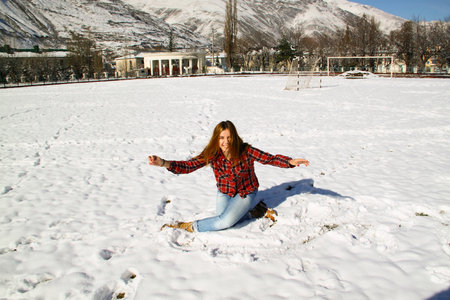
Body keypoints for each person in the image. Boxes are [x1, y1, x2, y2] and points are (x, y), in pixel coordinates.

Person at [148, 120, 309, 233]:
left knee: (224, 222)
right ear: (216, 139)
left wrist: (290, 161)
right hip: (225, 192)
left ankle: (190, 227)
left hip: (246, 192)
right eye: (222, 138)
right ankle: (257, 211)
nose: (226, 142)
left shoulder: (246, 150)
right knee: (224, 219)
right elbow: (188, 166)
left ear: (234, 137)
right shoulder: (212, 154)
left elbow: (270, 159)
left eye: (229, 137)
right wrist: (163, 163)